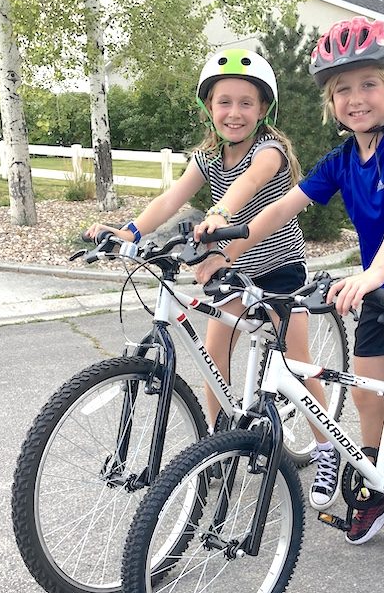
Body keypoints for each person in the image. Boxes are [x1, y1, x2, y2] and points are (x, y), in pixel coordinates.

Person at [193, 17, 384, 579]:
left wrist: (370, 275)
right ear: (331, 99)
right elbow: (280, 207)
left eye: (368, 84)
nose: (355, 98)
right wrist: (224, 238)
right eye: (342, 89)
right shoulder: (342, 159)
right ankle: (378, 488)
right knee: (368, 397)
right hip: (377, 295)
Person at [84, 48, 341, 510]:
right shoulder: (207, 158)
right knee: (212, 353)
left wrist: (219, 216)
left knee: (298, 368)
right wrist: (131, 231)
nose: (234, 112)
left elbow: (245, 195)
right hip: (234, 269)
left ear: (263, 110)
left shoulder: (270, 153)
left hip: (280, 271)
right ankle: (220, 445)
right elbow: (171, 198)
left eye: (246, 103)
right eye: (224, 102)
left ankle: (326, 449)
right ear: (209, 107)